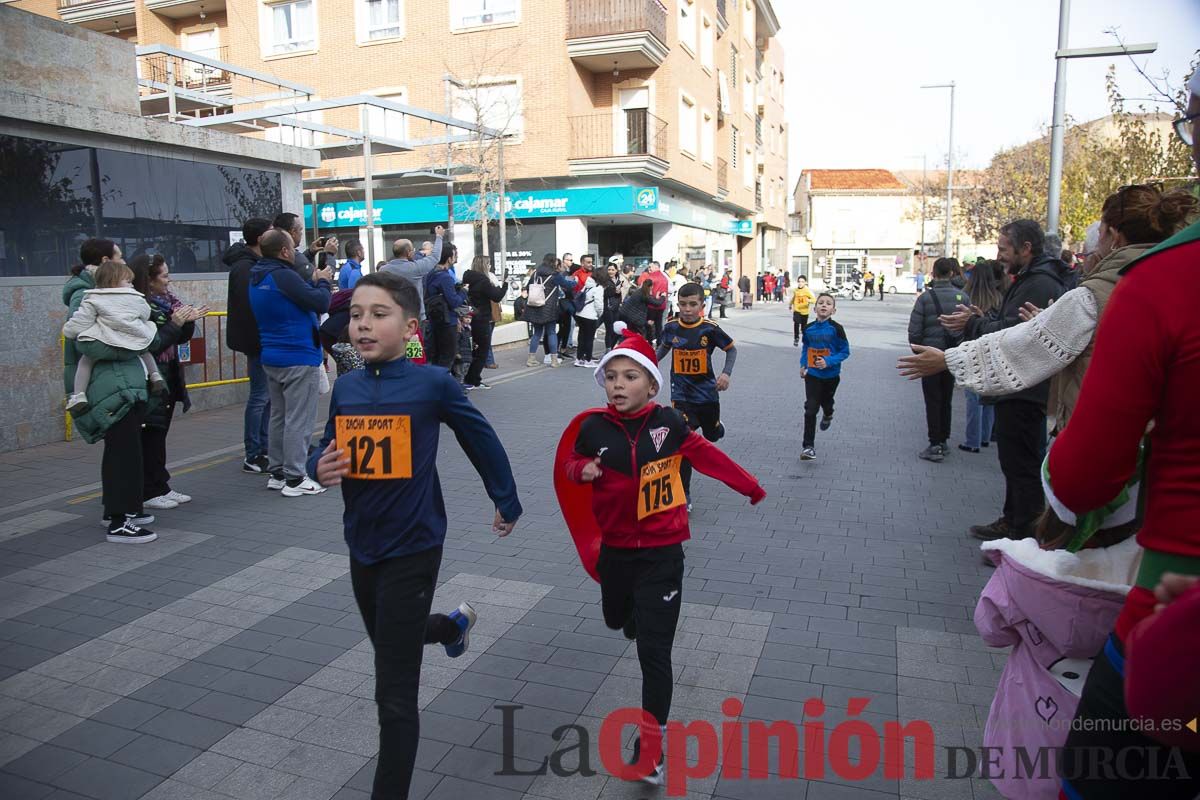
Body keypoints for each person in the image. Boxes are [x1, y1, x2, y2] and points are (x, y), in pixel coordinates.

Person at [310, 271, 522, 800]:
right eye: (356, 314)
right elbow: (327, 445)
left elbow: (480, 437)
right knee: (388, 638)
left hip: (416, 544)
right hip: (362, 543)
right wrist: (320, 465)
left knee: (394, 695)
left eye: (378, 315)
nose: (362, 325)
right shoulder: (348, 386)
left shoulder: (434, 384)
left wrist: (506, 497)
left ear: (409, 327)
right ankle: (450, 629)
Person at [558, 324, 765, 785]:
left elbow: (707, 456)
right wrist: (583, 469)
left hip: (662, 553)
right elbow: (568, 466)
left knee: (655, 653)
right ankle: (628, 613)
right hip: (615, 551)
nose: (617, 385)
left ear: (652, 385)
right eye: (611, 377)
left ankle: (650, 751)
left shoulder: (670, 424)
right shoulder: (592, 428)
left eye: (629, 377)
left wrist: (749, 486)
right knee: (616, 617)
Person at [899, 188, 1196, 456]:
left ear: (1114, 235)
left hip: (1108, 434)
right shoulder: (1178, 276)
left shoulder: (1095, 292)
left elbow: (1024, 345)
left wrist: (948, 360)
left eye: (1101, 232)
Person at [937, 220, 1068, 541]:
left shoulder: (1038, 282)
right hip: (1019, 384)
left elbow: (1018, 334)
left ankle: (1025, 531)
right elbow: (1010, 323)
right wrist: (982, 320)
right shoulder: (1029, 278)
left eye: (1003, 249)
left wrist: (974, 325)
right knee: (1014, 461)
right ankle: (1014, 520)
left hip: (1026, 388)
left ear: (1026, 248)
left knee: (1022, 464)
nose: (999, 256)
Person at [63, 240, 157, 542]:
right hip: (116, 388)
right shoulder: (89, 298)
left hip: (120, 385)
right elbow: (82, 341)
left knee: (122, 452)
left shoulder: (100, 297)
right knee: (124, 455)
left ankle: (117, 512)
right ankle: (120, 520)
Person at [249, 229, 333, 498]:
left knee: (279, 416)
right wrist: (321, 281)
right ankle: (295, 478)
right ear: (285, 252)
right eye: (293, 249)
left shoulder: (257, 276)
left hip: (272, 355)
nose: (297, 253)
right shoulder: (283, 276)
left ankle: (277, 472)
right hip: (298, 355)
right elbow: (320, 302)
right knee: (299, 419)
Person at [131, 255, 205, 512]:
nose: (169, 280)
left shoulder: (169, 303)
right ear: (149, 281)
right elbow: (155, 343)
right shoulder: (141, 307)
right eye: (164, 275)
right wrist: (176, 323)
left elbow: (179, 339)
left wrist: (188, 320)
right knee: (150, 435)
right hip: (151, 379)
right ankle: (148, 490)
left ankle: (160, 485)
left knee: (159, 435)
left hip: (169, 375)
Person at [655, 282, 737, 503]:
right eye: (683, 304)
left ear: (702, 304)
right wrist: (649, 365)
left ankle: (717, 427)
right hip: (681, 396)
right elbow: (664, 347)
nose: (687, 309)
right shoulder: (671, 327)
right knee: (683, 443)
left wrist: (725, 374)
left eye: (693, 304)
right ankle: (685, 494)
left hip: (706, 395)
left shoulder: (709, 328)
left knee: (711, 435)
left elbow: (731, 349)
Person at [62, 260, 164, 415]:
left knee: (85, 361)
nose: (131, 285)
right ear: (113, 281)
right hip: (133, 342)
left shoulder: (92, 298)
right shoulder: (136, 298)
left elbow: (82, 321)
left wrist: (69, 331)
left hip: (104, 344)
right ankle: (155, 375)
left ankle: (78, 395)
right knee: (145, 350)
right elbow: (145, 314)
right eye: (128, 281)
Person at [907, 257, 969, 463]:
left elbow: (914, 330)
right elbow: (969, 328)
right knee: (946, 398)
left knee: (932, 400)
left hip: (930, 356)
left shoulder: (925, 298)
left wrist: (920, 353)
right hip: (953, 356)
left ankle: (934, 444)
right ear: (951, 274)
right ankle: (943, 440)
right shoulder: (963, 297)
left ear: (933, 274)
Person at [225, 218, 273, 473]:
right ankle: (253, 453)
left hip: (259, 340)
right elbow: (250, 308)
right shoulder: (245, 268)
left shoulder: (251, 264)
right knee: (260, 397)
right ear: (260, 238)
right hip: (257, 341)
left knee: (266, 398)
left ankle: (263, 448)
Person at [799, 294, 850, 461]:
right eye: (820, 303)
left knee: (827, 402)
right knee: (810, 409)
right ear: (814, 309)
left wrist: (828, 361)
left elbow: (845, 351)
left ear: (833, 310)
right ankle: (808, 447)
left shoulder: (837, 329)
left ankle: (828, 414)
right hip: (813, 375)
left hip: (831, 375)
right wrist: (803, 364)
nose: (824, 306)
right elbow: (806, 346)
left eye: (828, 304)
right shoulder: (808, 328)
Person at [460, 256, 505, 390]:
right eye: (489, 264)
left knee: (474, 348)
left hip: (470, 316)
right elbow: (497, 296)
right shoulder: (483, 281)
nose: (490, 266)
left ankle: (474, 378)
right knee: (482, 350)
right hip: (481, 317)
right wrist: (505, 284)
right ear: (484, 266)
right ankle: (472, 380)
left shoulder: (467, 277)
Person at [422, 244, 467, 371]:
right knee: (447, 356)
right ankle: (441, 386)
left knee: (436, 356)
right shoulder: (445, 277)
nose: (456, 257)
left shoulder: (431, 274)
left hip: (434, 319)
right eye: (455, 255)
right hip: (447, 321)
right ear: (449, 258)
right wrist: (463, 291)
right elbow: (454, 301)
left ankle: (435, 385)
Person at [380, 226, 445, 315]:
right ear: (409, 253)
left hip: (392, 315)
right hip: (414, 315)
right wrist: (439, 236)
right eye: (413, 250)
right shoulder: (415, 268)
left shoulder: (383, 270)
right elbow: (435, 257)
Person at [524, 254, 573, 367]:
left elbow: (528, 287)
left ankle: (531, 359)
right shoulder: (555, 275)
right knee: (551, 332)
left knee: (537, 333)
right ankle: (554, 360)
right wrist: (576, 282)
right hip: (549, 307)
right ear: (553, 262)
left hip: (535, 306)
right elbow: (567, 285)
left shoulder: (536, 273)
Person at [572, 258, 604, 368]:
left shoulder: (587, 285)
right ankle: (588, 360)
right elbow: (599, 304)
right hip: (590, 316)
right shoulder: (598, 288)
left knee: (582, 337)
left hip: (580, 314)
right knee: (589, 338)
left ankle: (579, 359)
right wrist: (599, 314)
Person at [273, 212, 312, 281]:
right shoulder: (295, 257)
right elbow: (317, 283)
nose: (301, 233)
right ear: (293, 232)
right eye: (300, 229)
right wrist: (329, 254)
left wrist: (310, 252)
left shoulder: (270, 254)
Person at [601, 262, 623, 351]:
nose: (611, 272)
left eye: (613, 270)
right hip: (608, 308)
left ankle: (612, 346)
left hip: (616, 308)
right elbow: (604, 294)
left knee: (616, 330)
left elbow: (618, 295)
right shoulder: (604, 281)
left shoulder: (618, 280)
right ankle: (608, 349)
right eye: (609, 269)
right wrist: (615, 291)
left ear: (616, 271)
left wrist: (618, 293)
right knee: (609, 330)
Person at [790, 275, 815, 347]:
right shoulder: (795, 290)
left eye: (802, 282)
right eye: (799, 282)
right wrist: (790, 304)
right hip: (797, 310)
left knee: (804, 327)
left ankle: (804, 339)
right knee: (796, 323)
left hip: (805, 311)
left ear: (805, 283)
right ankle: (796, 337)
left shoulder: (807, 291)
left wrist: (809, 300)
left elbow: (814, 300)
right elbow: (794, 298)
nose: (800, 283)